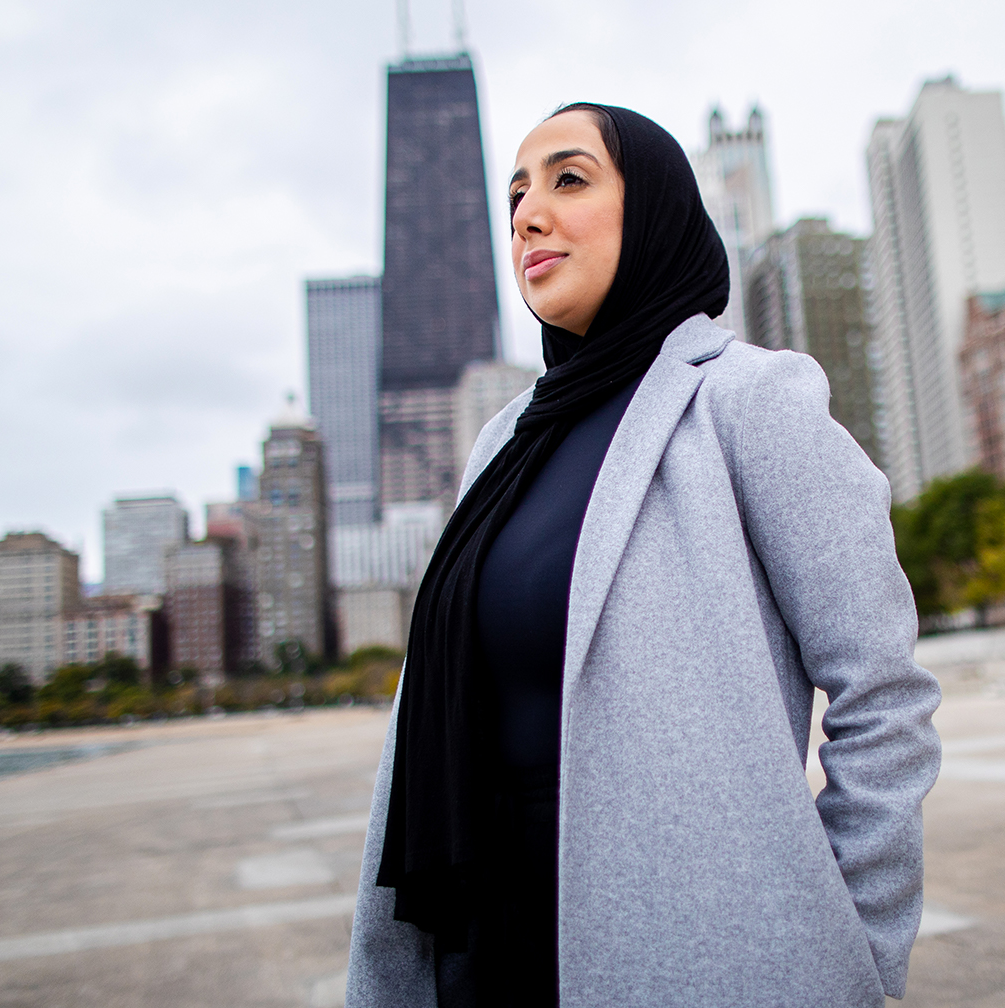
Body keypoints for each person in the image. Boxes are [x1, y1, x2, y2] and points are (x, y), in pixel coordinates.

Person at [344, 103, 942, 1007]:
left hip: (704, 951)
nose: (528, 216)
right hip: (489, 944)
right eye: (515, 197)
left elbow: (883, 694)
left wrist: (849, 939)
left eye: (568, 179)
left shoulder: (748, 400)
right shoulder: (504, 444)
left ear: (654, 210)